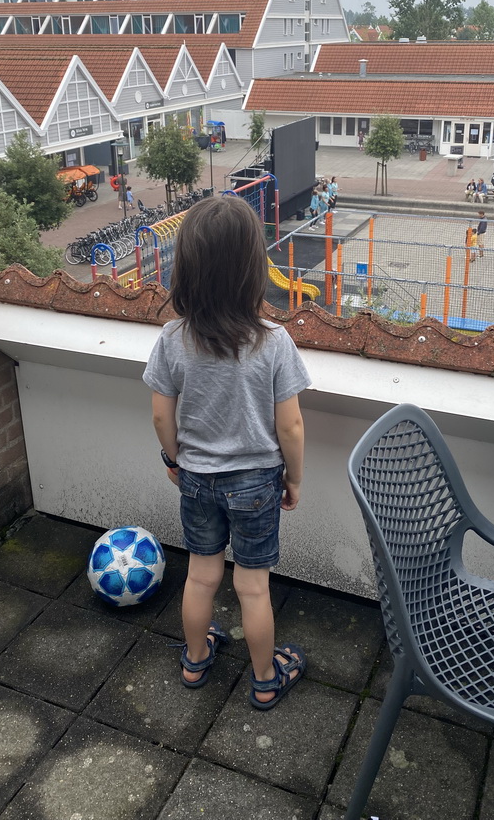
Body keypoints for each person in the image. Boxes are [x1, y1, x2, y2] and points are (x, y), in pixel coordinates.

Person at [143, 197, 310, 709]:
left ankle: (195, 662)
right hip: (257, 483)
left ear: (187, 266)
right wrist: (295, 480)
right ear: (251, 269)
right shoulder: (275, 342)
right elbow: (292, 425)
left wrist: (173, 461)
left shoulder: (173, 338)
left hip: (196, 477)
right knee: (252, 587)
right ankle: (264, 680)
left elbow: (159, 415)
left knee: (201, 574)